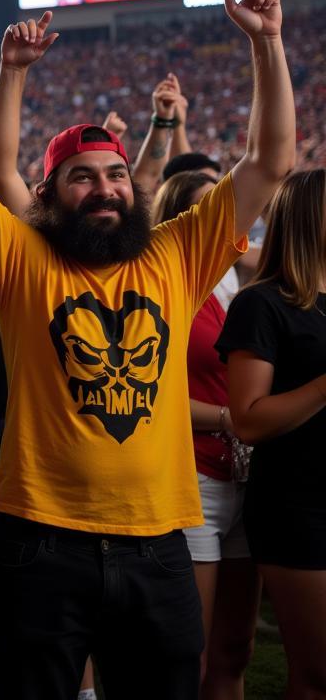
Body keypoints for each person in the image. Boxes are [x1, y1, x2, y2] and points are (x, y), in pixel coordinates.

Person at [0, 0, 293, 699]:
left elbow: (268, 162)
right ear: (49, 197)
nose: (106, 187)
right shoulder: (24, 259)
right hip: (43, 541)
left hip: (161, 541)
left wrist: (269, 43)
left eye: (115, 175)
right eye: (83, 177)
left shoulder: (175, 256)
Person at [218, 169, 326, 699]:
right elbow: (250, 420)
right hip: (300, 507)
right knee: (317, 674)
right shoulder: (263, 303)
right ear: (311, 220)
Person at [154, 172, 260, 698]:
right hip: (193, 477)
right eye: (211, 210)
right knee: (187, 651)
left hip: (248, 477)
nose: (229, 221)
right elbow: (152, 395)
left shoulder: (240, 278)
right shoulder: (166, 286)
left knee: (235, 649)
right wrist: (231, 419)